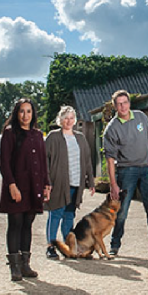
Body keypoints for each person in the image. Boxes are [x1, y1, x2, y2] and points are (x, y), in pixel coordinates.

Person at [102, 89, 148, 256]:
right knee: (122, 211)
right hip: (125, 171)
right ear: (115, 106)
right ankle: (115, 245)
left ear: (129, 103)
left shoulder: (141, 117)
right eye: (119, 104)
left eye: (125, 102)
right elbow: (110, 159)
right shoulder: (111, 129)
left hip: (145, 169)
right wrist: (113, 184)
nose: (123, 107)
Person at [0, 98, 50, 281]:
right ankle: (14, 267)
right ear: (16, 113)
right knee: (15, 224)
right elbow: (4, 163)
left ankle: (25, 264)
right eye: (22, 111)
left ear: (33, 114)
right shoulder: (10, 133)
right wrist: (11, 185)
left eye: (29, 111)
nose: (25, 115)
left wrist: (47, 184)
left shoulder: (37, 135)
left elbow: (43, 163)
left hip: (33, 186)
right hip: (16, 187)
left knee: (28, 224)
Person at [44, 105, 95, 259]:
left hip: (75, 184)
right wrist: (46, 182)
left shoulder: (80, 138)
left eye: (71, 118)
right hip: (58, 184)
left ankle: (68, 247)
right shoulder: (53, 137)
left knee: (69, 215)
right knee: (56, 214)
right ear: (60, 119)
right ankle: (50, 246)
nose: (68, 121)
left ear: (75, 120)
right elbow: (44, 160)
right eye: (65, 118)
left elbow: (87, 161)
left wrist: (91, 181)